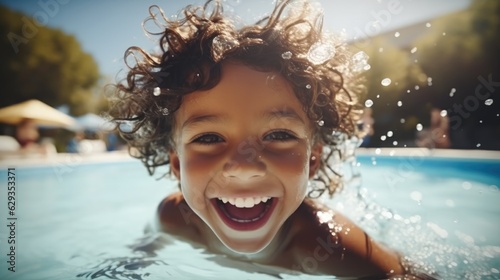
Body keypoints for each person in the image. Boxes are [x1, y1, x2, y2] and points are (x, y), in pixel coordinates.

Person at [110, 0, 434, 278]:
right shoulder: (171, 218)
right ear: (177, 165)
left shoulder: (331, 247)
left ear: (312, 160)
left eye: (278, 135)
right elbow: (143, 253)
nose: (244, 167)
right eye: (209, 137)